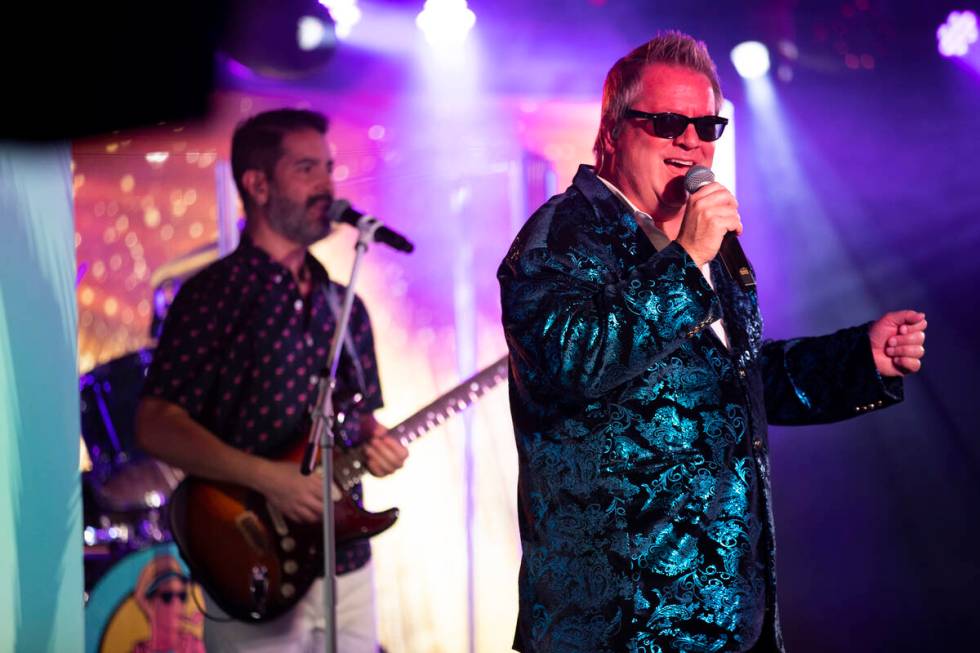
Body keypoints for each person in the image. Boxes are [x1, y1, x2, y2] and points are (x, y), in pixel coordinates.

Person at [497, 32, 927, 653]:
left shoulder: (704, 244)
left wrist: (858, 357)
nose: (692, 141)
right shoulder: (562, 235)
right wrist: (686, 258)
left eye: (707, 125)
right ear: (613, 131)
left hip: (729, 615)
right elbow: (574, 361)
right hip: (618, 626)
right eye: (669, 122)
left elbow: (734, 382)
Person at [136, 108, 408, 652]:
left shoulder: (343, 301)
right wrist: (268, 477)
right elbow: (155, 425)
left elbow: (359, 419)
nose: (327, 184)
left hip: (345, 561)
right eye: (306, 169)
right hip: (248, 553)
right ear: (258, 185)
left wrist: (378, 447)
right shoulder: (211, 295)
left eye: (329, 168)